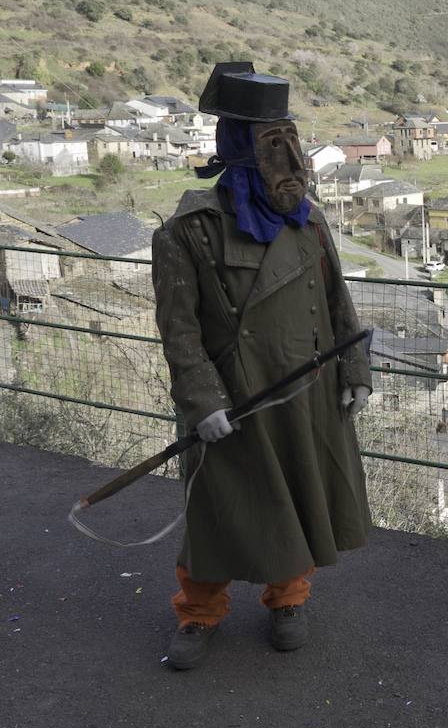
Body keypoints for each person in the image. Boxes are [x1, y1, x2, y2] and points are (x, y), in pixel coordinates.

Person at [152, 62, 372, 670]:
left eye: (290, 141)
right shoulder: (189, 230)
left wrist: (353, 369)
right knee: (218, 513)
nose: (288, 159)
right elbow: (180, 329)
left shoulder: (309, 219)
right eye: (271, 144)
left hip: (307, 393)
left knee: (298, 498)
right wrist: (202, 401)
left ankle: (288, 599)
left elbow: (336, 302)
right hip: (233, 400)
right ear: (239, 150)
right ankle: (198, 613)